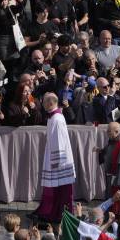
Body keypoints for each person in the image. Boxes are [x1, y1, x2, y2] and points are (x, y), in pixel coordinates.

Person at [34, 93, 75, 223]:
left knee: (61, 189)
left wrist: (56, 163)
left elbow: (59, 141)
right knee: (55, 188)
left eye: (44, 102)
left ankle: (58, 214)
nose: (42, 104)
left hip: (59, 160)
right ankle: (51, 211)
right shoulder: (53, 117)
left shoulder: (57, 119)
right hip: (53, 156)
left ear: (50, 103)